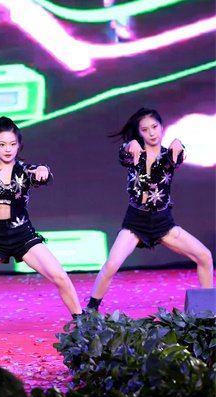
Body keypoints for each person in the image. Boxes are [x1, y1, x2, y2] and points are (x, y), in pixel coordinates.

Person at [0, 116, 82, 316]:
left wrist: (44, 170)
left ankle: (82, 324)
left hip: (23, 236)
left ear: (19, 145)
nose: (8, 149)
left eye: (12, 144)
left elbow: (42, 174)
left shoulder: (24, 171)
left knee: (61, 277)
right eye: (2, 144)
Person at [88, 108, 213, 311]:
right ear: (140, 133)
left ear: (162, 127)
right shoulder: (134, 153)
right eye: (145, 130)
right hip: (136, 221)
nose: (152, 133)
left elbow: (178, 156)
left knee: (204, 256)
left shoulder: (169, 155)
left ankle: (209, 310)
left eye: (154, 127)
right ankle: (90, 311)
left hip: (163, 222)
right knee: (111, 265)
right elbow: (124, 153)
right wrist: (130, 144)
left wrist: (179, 143)